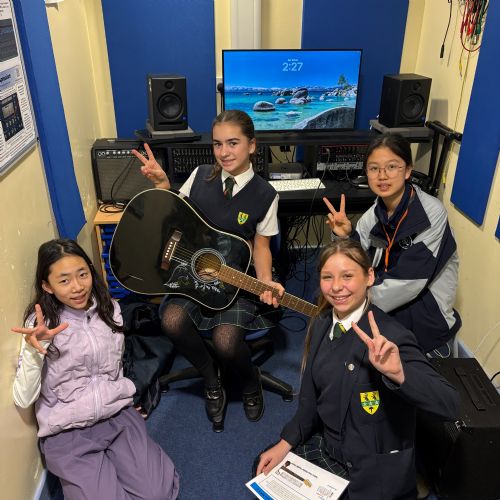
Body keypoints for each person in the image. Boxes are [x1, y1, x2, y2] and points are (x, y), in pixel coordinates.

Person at [256, 240, 459, 500]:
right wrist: (285, 443)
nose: (336, 287)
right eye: (327, 277)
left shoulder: (390, 336)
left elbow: (450, 404)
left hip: (369, 467)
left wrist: (399, 374)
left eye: (347, 276)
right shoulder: (321, 322)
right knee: (263, 471)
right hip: (329, 446)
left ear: (369, 277)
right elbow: (310, 401)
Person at [134, 109, 284, 425]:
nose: (224, 152)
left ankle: (250, 383)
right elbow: (174, 216)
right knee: (171, 321)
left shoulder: (266, 195)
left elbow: (261, 247)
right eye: (217, 144)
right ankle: (211, 379)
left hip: (235, 281)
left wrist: (265, 281)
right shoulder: (201, 175)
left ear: (252, 145)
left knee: (226, 342)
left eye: (233, 143)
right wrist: (163, 185)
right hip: (193, 273)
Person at [12, 239, 179, 500]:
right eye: (64, 280)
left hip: (116, 415)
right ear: (47, 286)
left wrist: (125, 396)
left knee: (158, 494)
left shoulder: (109, 308)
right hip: (68, 429)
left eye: (83, 274)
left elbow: (116, 365)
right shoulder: (40, 326)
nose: (78, 287)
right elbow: (23, 399)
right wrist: (37, 349)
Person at [323, 132, 461, 355]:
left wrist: (352, 303)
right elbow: (356, 260)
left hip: (426, 316)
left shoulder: (431, 214)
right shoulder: (375, 213)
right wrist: (345, 236)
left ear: (407, 171)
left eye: (392, 167)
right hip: (385, 303)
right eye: (374, 168)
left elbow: (409, 282)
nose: (382, 175)